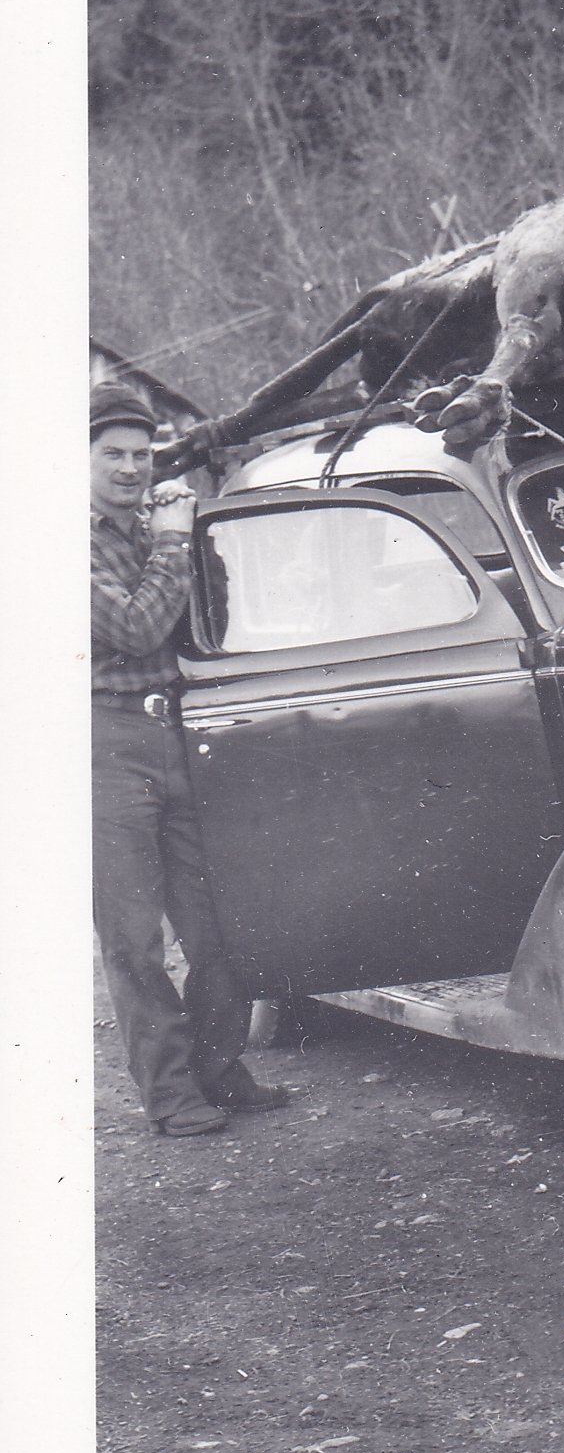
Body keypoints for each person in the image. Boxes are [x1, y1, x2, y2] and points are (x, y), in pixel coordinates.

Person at [90, 381, 291, 1136]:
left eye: (141, 454)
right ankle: (171, 1095)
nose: (130, 468)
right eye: (112, 454)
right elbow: (137, 629)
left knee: (215, 918)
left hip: (177, 728)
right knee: (134, 936)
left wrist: (188, 532)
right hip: (105, 743)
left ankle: (218, 1068)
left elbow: (211, 618)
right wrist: (173, 542)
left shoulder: (154, 526)